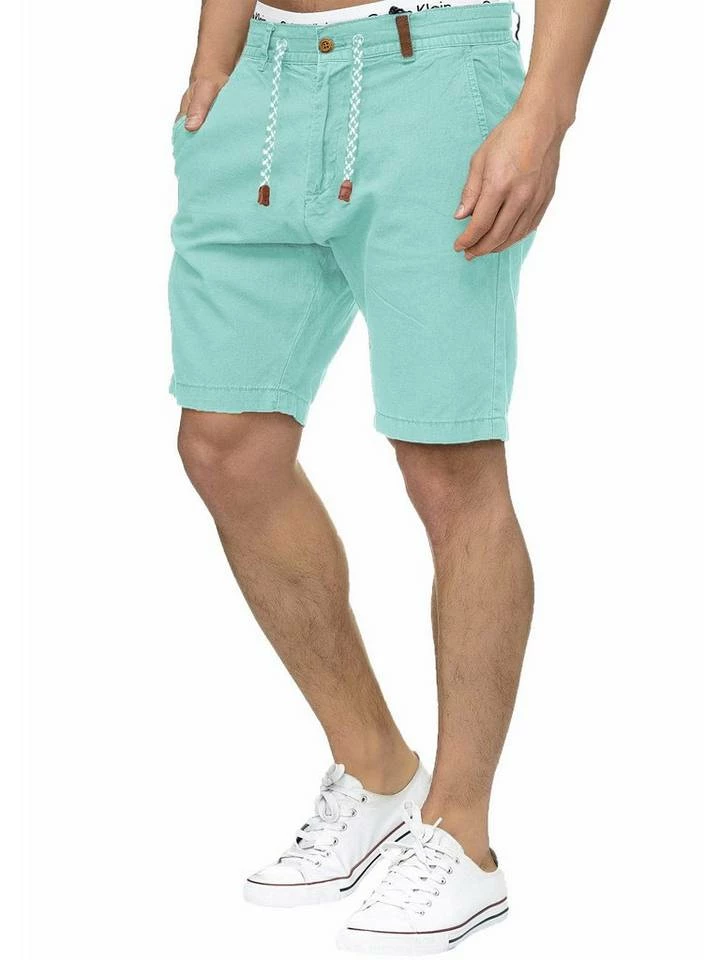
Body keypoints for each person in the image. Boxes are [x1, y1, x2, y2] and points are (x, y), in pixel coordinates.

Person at [168, 0, 608, 951]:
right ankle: (375, 769)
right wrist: (214, 61)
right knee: (225, 445)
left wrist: (546, 109)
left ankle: (462, 835)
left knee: (447, 462)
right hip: (260, 88)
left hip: (431, 77)